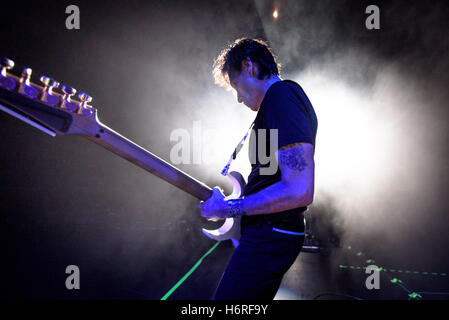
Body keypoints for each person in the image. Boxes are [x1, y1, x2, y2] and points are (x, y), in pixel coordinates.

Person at [199, 38, 318, 300]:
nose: (239, 99)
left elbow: (299, 189)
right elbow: (274, 180)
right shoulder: (277, 103)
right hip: (270, 231)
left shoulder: (281, 96)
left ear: (249, 66)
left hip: (272, 232)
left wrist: (229, 208)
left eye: (236, 86)